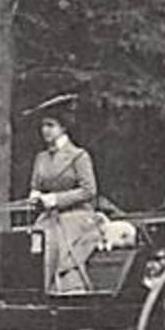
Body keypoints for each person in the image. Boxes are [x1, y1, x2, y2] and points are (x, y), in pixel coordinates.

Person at [28, 100, 104, 295]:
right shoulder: (41, 158)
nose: (45, 130)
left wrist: (55, 199)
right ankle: (37, 290)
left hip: (78, 216)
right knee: (33, 237)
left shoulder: (79, 156)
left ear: (63, 128)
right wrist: (35, 197)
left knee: (57, 237)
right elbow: (36, 186)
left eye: (51, 125)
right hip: (49, 216)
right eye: (43, 125)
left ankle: (68, 288)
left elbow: (89, 191)